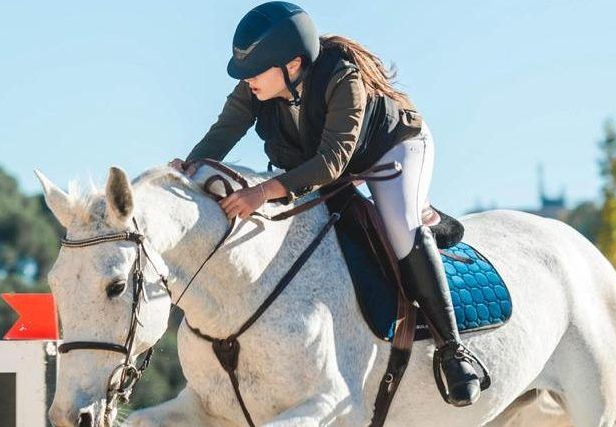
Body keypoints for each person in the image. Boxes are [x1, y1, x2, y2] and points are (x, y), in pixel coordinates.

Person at [170, 1, 482, 406]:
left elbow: (331, 163)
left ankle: (452, 350)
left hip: (391, 151)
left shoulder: (342, 78)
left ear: (293, 64)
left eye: (255, 71)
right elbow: (224, 131)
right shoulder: (258, 85)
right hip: (329, 163)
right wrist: (189, 167)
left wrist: (260, 193)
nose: (247, 80)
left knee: (401, 228)